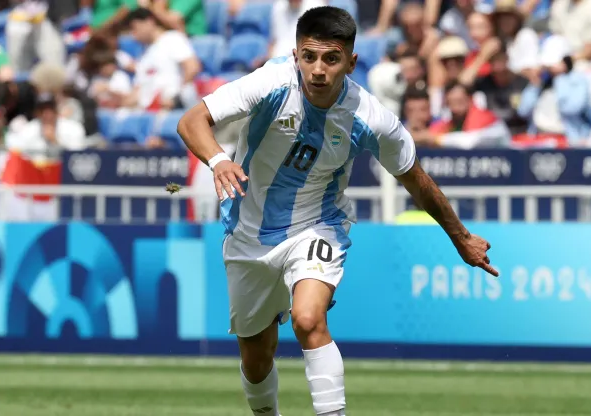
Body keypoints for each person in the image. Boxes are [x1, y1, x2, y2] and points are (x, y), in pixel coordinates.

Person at [175, 7, 496, 416]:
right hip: (248, 233)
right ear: (295, 55)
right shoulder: (272, 81)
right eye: (309, 57)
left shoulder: (370, 117)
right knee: (257, 360)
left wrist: (461, 237)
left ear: (351, 61)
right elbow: (192, 120)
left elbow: (416, 179)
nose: (318, 69)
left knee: (308, 319)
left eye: (331, 58)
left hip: (317, 225)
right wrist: (219, 160)